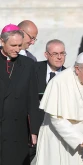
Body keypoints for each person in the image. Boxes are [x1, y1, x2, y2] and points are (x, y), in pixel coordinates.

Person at [0, 24, 40, 165]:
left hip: (19, 130)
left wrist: (34, 131)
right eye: (13, 45)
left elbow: (33, 99)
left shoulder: (28, 64)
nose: (17, 49)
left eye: (19, 45)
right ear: (2, 41)